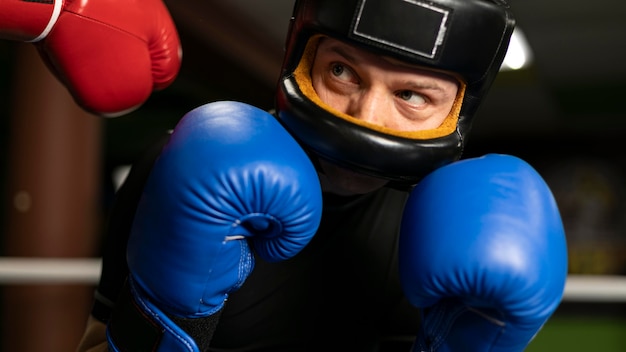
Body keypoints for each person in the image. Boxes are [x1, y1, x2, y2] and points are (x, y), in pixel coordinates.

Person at [3, 0, 568, 351]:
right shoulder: (178, 164)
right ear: (299, 58)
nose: (365, 118)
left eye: (412, 95)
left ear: (456, 112)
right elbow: (94, 343)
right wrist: (163, 326)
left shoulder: (448, 218)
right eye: (343, 70)